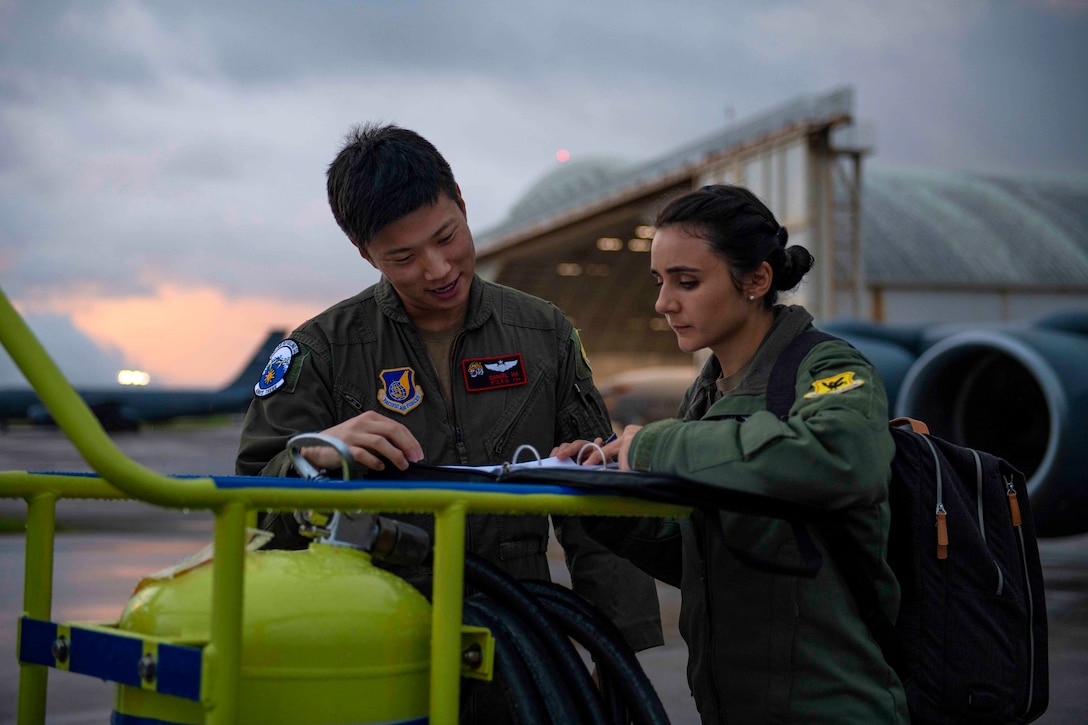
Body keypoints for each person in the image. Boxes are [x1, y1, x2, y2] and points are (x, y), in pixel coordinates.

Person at [235, 123, 662, 721]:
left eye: (447, 237)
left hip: (519, 648)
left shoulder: (545, 336)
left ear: (462, 202)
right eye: (403, 258)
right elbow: (252, 506)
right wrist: (312, 455)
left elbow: (600, 499)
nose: (437, 269)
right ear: (365, 254)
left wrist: (615, 651)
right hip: (371, 640)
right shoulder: (321, 352)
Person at [555, 184, 909, 723]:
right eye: (660, 282)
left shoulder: (827, 367)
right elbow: (711, 554)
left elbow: (843, 456)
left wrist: (653, 445)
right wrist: (599, 495)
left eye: (687, 282)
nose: (663, 303)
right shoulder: (708, 393)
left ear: (756, 280)